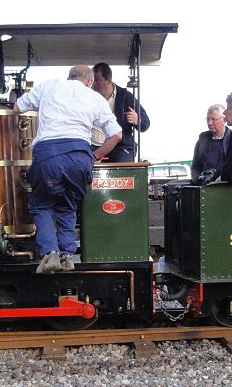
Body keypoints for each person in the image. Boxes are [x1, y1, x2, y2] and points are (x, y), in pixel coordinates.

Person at [14, 65, 122, 273]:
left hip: (48, 155)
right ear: (89, 82)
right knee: (67, 205)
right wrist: (94, 156)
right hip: (80, 157)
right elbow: (117, 135)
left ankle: (49, 253)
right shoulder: (94, 98)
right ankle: (67, 256)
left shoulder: (49, 86)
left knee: (41, 204)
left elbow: (17, 108)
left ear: (69, 77)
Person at [90, 62, 150, 162]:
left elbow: (145, 123)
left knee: (124, 165)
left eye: (97, 80)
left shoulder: (126, 97)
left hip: (121, 147)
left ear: (108, 80)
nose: (93, 84)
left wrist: (137, 120)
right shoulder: (88, 97)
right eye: (92, 80)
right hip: (93, 145)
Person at [191, 103, 231, 184]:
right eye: (208, 119)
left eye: (213, 119)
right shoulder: (202, 140)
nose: (209, 123)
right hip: (203, 187)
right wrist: (198, 180)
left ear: (225, 119)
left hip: (224, 187)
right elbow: (195, 166)